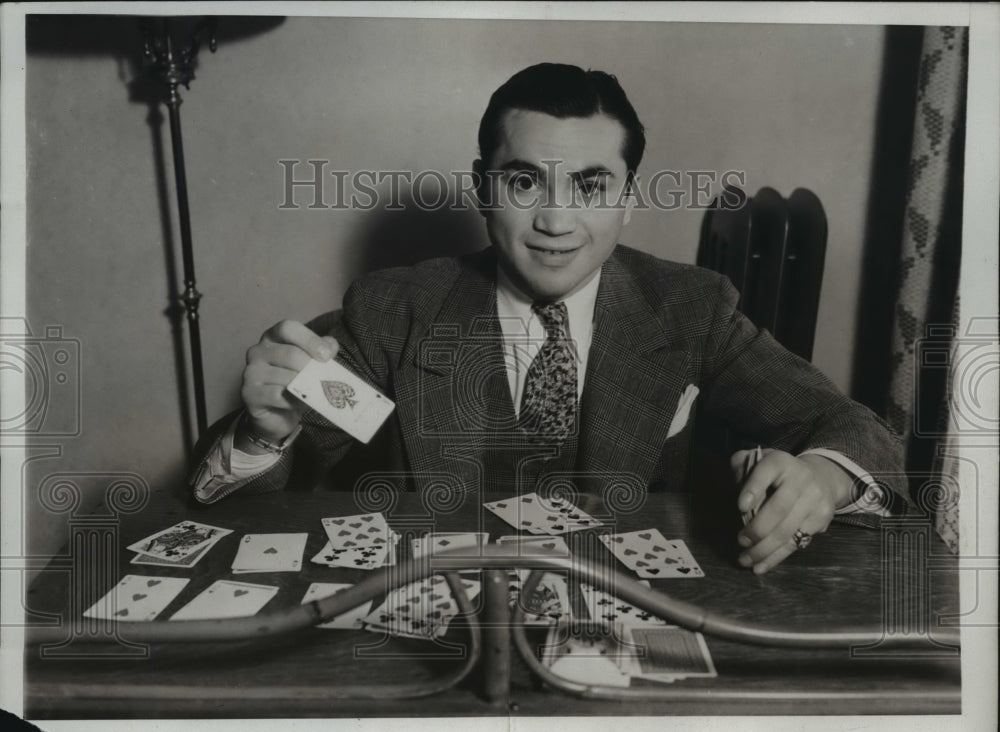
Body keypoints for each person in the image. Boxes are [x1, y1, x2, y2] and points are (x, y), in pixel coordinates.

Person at [190, 63, 904, 574]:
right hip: (440, 634)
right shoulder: (392, 307)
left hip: (628, 627)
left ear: (628, 198)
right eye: (525, 181)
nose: (556, 220)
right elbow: (252, 519)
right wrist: (260, 434)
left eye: (591, 185)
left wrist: (823, 476)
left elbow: (858, 431)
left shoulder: (692, 307)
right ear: (482, 189)